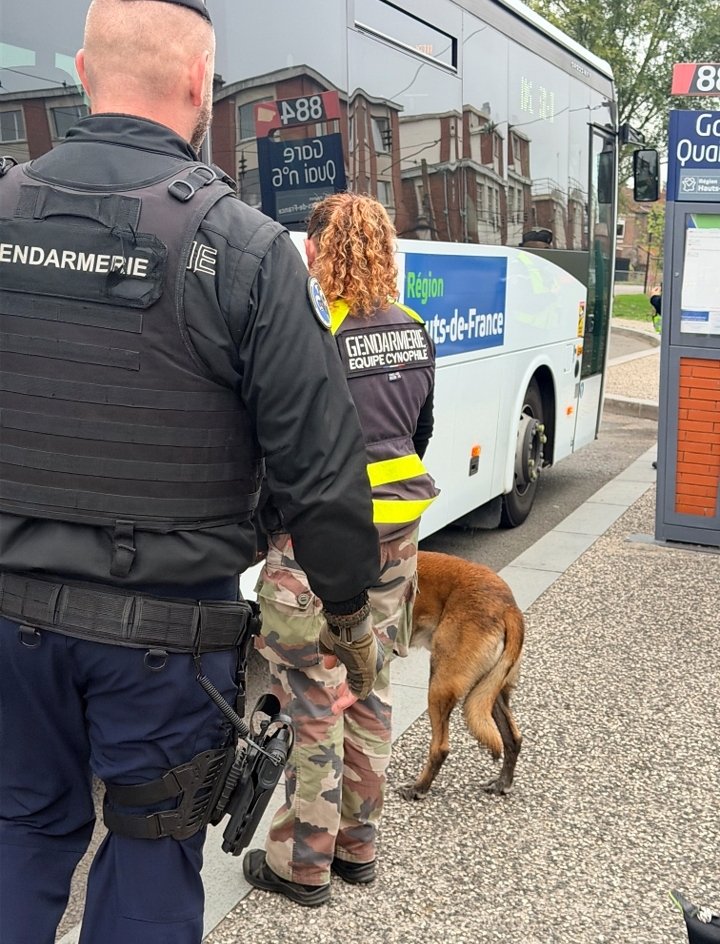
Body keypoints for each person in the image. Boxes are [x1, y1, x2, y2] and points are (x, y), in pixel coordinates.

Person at [0, 2, 382, 942]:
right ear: (201, 81)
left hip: (8, 624)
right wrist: (347, 616)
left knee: (17, 834)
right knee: (148, 856)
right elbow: (323, 470)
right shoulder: (244, 249)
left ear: (85, 73)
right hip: (165, 642)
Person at [243, 193, 438, 906]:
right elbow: (419, 437)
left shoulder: (319, 331)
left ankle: (302, 865)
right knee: (372, 689)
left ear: (325, 251)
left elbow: (285, 449)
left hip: (322, 546)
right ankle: (359, 850)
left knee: (314, 697)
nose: (306, 257)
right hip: (398, 547)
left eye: (310, 246)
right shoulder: (415, 330)